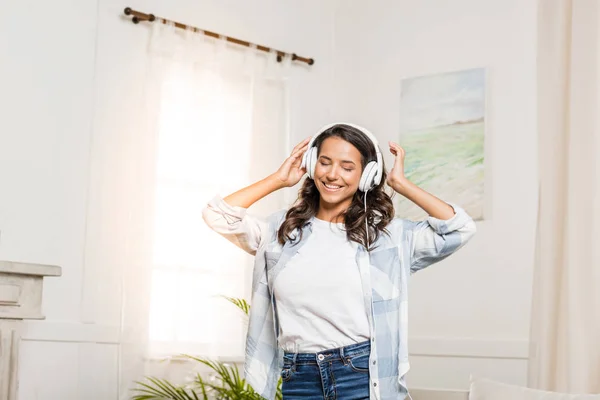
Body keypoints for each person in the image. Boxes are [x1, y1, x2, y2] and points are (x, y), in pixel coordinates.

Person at [202, 123, 476, 400]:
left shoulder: (387, 237)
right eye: (324, 162)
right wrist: (277, 180)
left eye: (347, 167)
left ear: (366, 175)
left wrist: (402, 185)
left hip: (362, 376)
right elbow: (217, 215)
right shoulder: (280, 231)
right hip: (299, 377)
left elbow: (460, 228)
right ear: (311, 164)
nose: (332, 175)